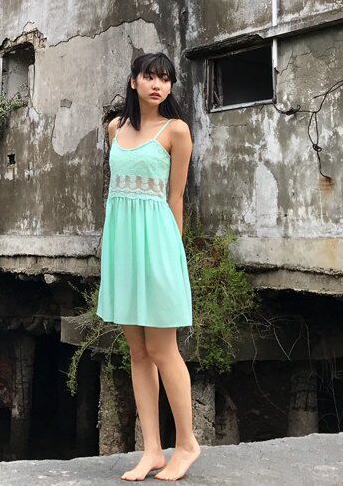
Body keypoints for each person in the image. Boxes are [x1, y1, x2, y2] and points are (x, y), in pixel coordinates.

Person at [97, 51, 199, 481]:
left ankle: (187, 444)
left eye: (165, 78)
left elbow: (176, 198)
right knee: (137, 352)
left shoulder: (176, 130)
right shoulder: (114, 128)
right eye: (150, 77)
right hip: (122, 246)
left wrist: (174, 254)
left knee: (162, 349)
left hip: (157, 244)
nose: (158, 85)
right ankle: (153, 450)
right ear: (134, 81)